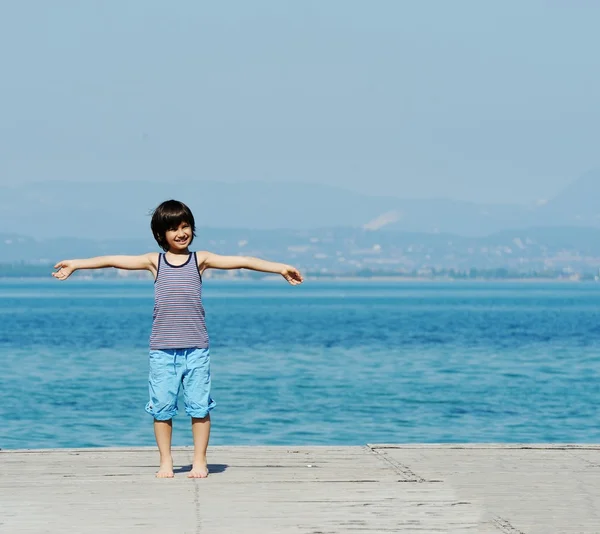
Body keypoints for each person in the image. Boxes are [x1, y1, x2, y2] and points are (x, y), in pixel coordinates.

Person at [52, 199, 304, 478]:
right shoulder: (154, 261)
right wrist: (76, 264)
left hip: (196, 348)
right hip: (162, 350)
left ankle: (199, 460)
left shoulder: (200, 260)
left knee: (199, 407)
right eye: (173, 228)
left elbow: (244, 261)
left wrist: (281, 268)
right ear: (161, 234)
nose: (181, 233)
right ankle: (165, 461)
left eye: (185, 226)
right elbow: (113, 259)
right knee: (162, 409)